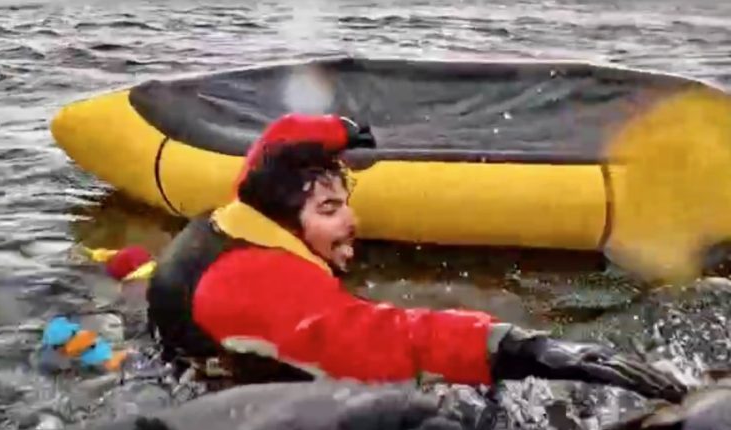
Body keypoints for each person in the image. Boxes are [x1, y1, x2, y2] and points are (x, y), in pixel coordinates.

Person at [132, 113, 686, 402]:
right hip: (226, 403)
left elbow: (273, 145)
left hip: (198, 360)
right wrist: (529, 347)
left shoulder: (237, 212)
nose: (351, 222)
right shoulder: (256, 284)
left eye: (345, 203)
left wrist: (338, 133)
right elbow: (389, 338)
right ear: (285, 216)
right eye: (329, 209)